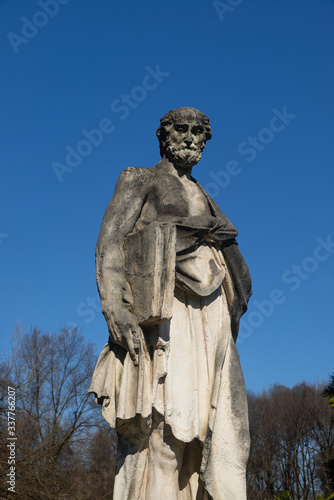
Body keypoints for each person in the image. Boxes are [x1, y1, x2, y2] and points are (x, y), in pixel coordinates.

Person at [89, 107, 252, 499]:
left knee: (208, 430)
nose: (192, 137)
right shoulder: (140, 179)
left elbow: (231, 256)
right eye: (183, 128)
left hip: (212, 316)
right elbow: (110, 246)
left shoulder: (207, 198)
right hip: (168, 310)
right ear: (163, 135)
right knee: (164, 426)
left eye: (200, 132)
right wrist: (116, 308)